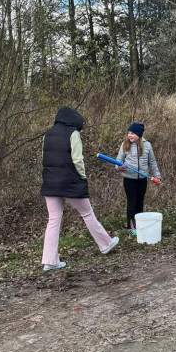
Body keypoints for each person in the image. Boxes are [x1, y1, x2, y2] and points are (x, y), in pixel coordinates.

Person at [40, 107, 119, 270]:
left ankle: (49, 261)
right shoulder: (73, 133)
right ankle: (105, 244)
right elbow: (77, 159)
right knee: (87, 213)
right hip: (70, 181)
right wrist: (82, 177)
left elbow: (44, 159)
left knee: (53, 220)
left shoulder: (47, 135)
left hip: (50, 182)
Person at [116, 122, 161, 236]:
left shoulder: (147, 145)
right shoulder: (125, 145)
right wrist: (120, 167)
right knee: (132, 203)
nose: (130, 135)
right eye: (129, 133)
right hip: (129, 179)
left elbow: (152, 162)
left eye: (133, 133)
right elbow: (118, 162)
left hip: (142, 179)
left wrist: (157, 176)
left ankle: (139, 225)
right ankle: (130, 227)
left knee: (140, 203)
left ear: (139, 135)